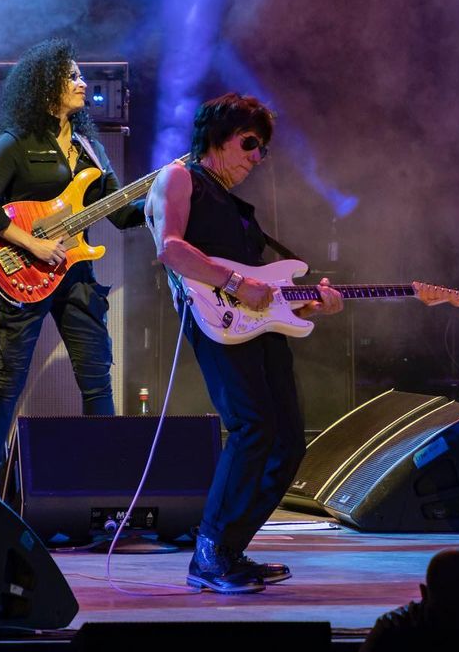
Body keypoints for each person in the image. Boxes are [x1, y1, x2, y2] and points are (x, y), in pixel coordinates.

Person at [144, 93, 343, 594]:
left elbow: (265, 292)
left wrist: (308, 305)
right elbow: (172, 249)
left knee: (287, 441)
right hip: (216, 320)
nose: (257, 157)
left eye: (263, 149)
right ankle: (209, 556)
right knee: (252, 426)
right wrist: (235, 283)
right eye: (249, 143)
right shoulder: (180, 177)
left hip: (257, 327)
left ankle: (229, 550)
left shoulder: (239, 210)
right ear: (218, 136)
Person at [0, 38, 144, 494]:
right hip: (24, 273)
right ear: (47, 88)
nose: (84, 83)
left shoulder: (90, 148)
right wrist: (33, 244)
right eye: (73, 76)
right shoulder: (17, 141)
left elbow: (123, 214)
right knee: (9, 381)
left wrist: (166, 202)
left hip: (76, 276)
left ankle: (105, 490)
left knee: (97, 379)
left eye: (81, 76)